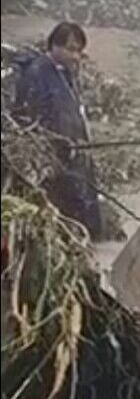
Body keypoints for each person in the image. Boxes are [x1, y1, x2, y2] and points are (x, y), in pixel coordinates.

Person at [13, 22, 104, 238]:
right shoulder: (37, 74)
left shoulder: (63, 72)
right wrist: (57, 145)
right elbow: (34, 118)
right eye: (71, 49)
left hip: (73, 149)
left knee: (84, 195)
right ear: (55, 45)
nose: (75, 56)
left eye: (79, 51)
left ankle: (88, 236)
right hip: (52, 154)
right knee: (68, 202)